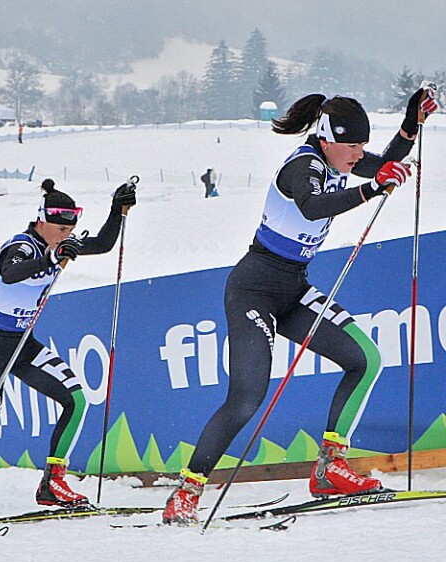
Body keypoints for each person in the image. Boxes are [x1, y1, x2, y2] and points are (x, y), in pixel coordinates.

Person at [162, 87, 439, 526]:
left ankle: (330, 467)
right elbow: (312, 207)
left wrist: (411, 123)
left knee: (365, 359)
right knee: (246, 398)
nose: (359, 154)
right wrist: (372, 188)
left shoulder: (338, 159)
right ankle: (187, 491)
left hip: (293, 289)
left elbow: (385, 163)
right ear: (327, 139)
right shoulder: (303, 165)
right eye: (353, 146)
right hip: (253, 289)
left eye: (362, 146)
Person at [0, 177, 138, 528]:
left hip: (23, 343)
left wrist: (117, 208)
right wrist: (51, 256)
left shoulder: (60, 244)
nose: (66, 235)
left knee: (77, 400)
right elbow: (10, 272)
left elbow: (103, 244)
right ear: (41, 220)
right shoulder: (22, 245)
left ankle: (53, 483)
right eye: (60, 228)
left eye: (70, 229)